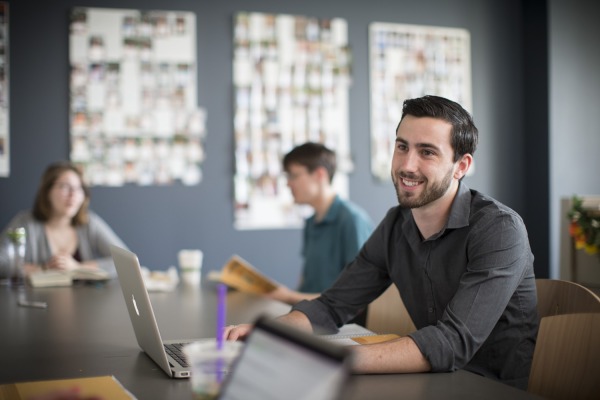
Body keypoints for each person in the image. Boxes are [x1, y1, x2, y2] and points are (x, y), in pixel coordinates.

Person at [225, 95, 539, 389]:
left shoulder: (498, 229)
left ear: (461, 166)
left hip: (491, 389)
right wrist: (271, 334)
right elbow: (331, 306)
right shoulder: (396, 223)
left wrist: (325, 359)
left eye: (427, 152)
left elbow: (452, 341)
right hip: (433, 383)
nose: (406, 165)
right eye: (402, 147)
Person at [266, 142, 374, 305]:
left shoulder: (352, 220)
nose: (288, 183)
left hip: (340, 324)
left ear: (319, 175)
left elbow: (356, 296)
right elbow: (306, 285)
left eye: (293, 175)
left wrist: (288, 296)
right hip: (309, 316)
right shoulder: (311, 223)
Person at [0, 161, 127, 278]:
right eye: (65, 186)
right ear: (47, 192)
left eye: (78, 188)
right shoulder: (25, 222)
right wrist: (43, 268)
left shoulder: (90, 223)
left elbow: (124, 261)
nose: (73, 194)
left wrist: (77, 267)